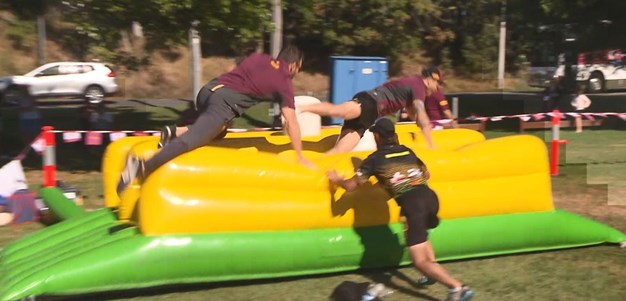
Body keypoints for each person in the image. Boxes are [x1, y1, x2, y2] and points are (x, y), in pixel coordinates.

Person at [117, 45, 312, 195]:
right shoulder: (284, 81)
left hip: (208, 90)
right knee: (192, 140)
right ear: (293, 65)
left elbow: (233, 67)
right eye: (298, 70)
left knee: (221, 130)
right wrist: (300, 156)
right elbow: (291, 121)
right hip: (223, 104)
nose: (296, 74)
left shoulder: (259, 58)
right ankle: (142, 166)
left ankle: (174, 132)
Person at [325, 117, 474, 301]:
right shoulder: (406, 151)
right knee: (420, 235)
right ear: (394, 136)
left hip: (413, 204)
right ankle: (431, 274)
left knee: (418, 260)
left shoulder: (374, 159)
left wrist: (336, 180)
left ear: (377, 137)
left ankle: (458, 288)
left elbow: (350, 186)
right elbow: (425, 173)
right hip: (429, 196)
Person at [299, 67, 443, 154]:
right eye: (437, 84)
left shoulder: (413, 85)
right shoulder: (418, 85)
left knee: (340, 151)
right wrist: (431, 144)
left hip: (370, 114)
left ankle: (314, 172)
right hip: (369, 101)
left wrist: (420, 122)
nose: (437, 88)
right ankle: (301, 108)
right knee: (338, 111)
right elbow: (420, 110)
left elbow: (413, 112)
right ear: (430, 80)